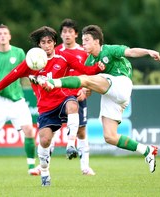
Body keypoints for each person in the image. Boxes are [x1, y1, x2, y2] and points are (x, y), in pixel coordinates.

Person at [0, 26, 102, 186]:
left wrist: (98, 68)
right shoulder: (31, 62)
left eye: (50, 42)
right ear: (39, 45)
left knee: (73, 104)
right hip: (46, 108)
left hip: (63, 99)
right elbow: (9, 77)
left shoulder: (64, 57)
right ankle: (44, 171)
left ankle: (71, 144)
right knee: (44, 141)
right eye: (43, 42)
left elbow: (84, 70)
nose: (47, 45)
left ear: (54, 43)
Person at [39, 25, 160, 173]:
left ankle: (53, 83)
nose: (83, 43)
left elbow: (131, 51)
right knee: (110, 137)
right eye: (83, 40)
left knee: (86, 78)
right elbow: (89, 85)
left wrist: (148, 51)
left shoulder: (108, 50)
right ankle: (147, 150)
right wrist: (84, 91)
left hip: (121, 84)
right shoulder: (90, 62)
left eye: (86, 40)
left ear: (96, 41)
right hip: (111, 95)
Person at [0, 24, 39, 176]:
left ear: (10, 36)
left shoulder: (19, 52)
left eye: (5, 33)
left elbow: (28, 70)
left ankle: (31, 166)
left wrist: (36, 79)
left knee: (29, 130)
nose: (3, 36)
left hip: (16, 99)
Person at [54, 18, 95, 175]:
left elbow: (90, 74)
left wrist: (85, 89)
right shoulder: (56, 51)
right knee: (51, 130)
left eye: (70, 31)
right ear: (61, 34)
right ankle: (43, 165)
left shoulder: (84, 53)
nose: (67, 34)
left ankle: (85, 166)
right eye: (64, 31)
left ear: (76, 34)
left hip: (78, 96)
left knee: (81, 131)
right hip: (59, 97)